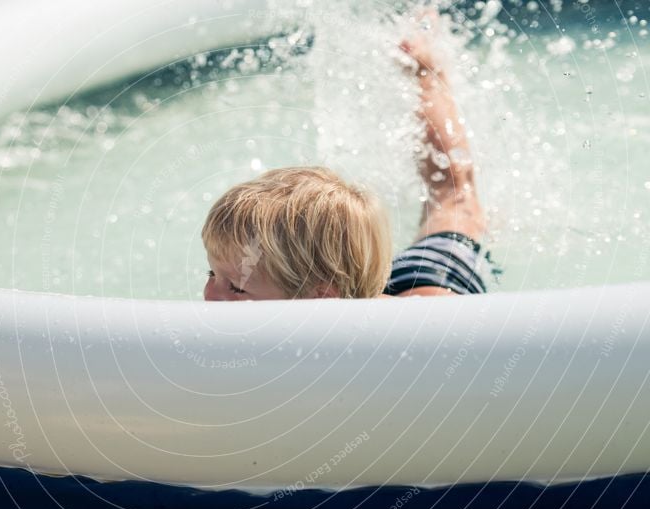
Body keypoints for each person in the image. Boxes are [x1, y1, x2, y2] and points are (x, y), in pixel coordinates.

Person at [201, 13, 497, 301]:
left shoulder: (423, 331)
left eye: (236, 288)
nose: (210, 294)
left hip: (437, 279)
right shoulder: (305, 295)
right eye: (211, 274)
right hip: (370, 285)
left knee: (454, 195)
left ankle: (427, 73)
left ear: (319, 299)